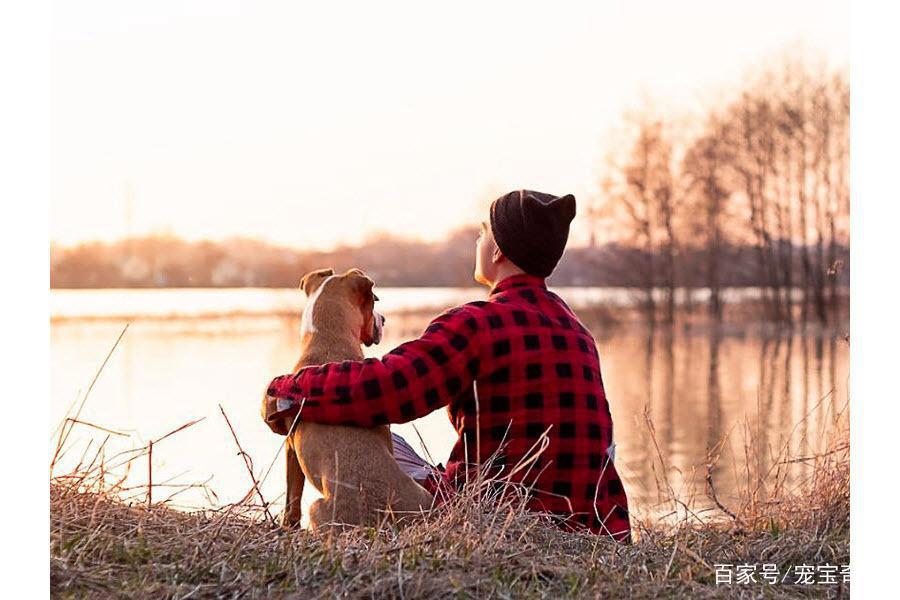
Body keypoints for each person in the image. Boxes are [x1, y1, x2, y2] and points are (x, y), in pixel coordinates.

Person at [263, 190, 631, 541]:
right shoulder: (578, 331)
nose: (478, 242)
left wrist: (288, 390)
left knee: (384, 438)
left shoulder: (476, 323)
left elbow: (388, 390)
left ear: (499, 250)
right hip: (593, 523)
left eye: (482, 233)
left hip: (494, 514)